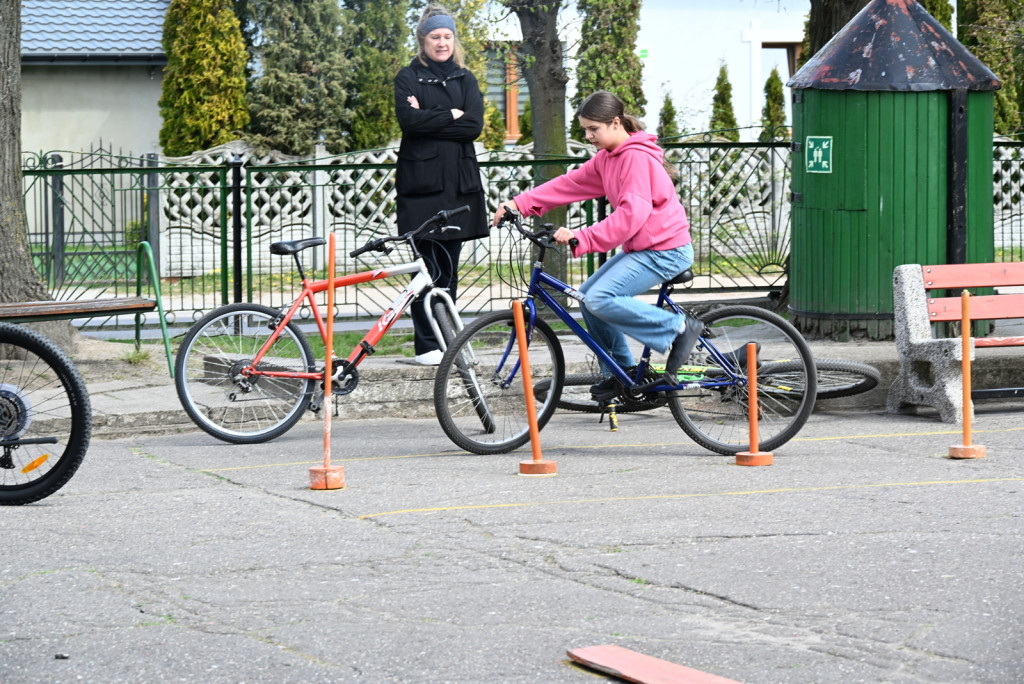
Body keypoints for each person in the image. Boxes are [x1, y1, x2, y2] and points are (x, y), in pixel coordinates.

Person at [492, 90, 701, 394]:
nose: (589, 136)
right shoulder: (609, 158)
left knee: (600, 298)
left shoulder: (635, 159)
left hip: (666, 251)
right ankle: (624, 375)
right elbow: (571, 183)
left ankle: (680, 328)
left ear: (616, 123)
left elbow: (632, 216)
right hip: (645, 249)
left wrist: (583, 236)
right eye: (585, 130)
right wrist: (519, 203)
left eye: (594, 129)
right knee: (588, 299)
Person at [394, 4, 488, 366]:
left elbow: (474, 126)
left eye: (447, 36)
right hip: (422, 187)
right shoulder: (408, 76)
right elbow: (409, 122)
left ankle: (448, 342)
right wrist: (451, 114)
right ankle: (426, 346)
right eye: (435, 37)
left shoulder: (467, 79)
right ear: (423, 40)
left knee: (448, 270)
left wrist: (428, 116)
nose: (442, 42)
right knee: (426, 270)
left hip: (459, 185)